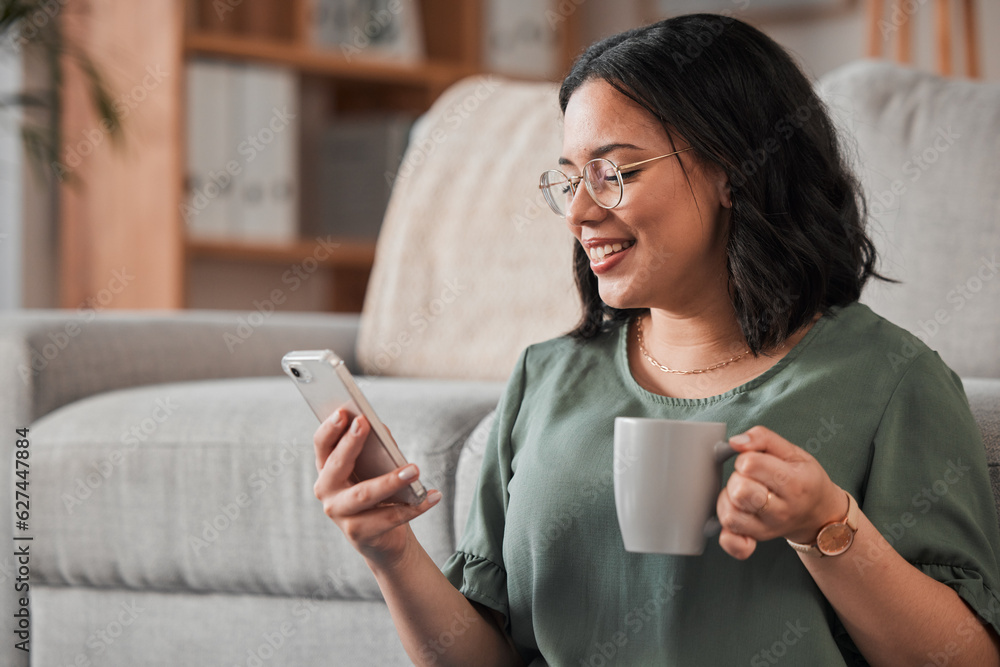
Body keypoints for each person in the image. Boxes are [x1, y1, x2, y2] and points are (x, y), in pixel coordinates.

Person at [311, 14, 1000, 666]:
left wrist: (826, 523)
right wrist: (392, 551)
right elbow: (485, 654)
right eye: (570, 179)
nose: (580, 211)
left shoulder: (890, 380)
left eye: (614, 172)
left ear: (734, 168)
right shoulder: (546, 377)